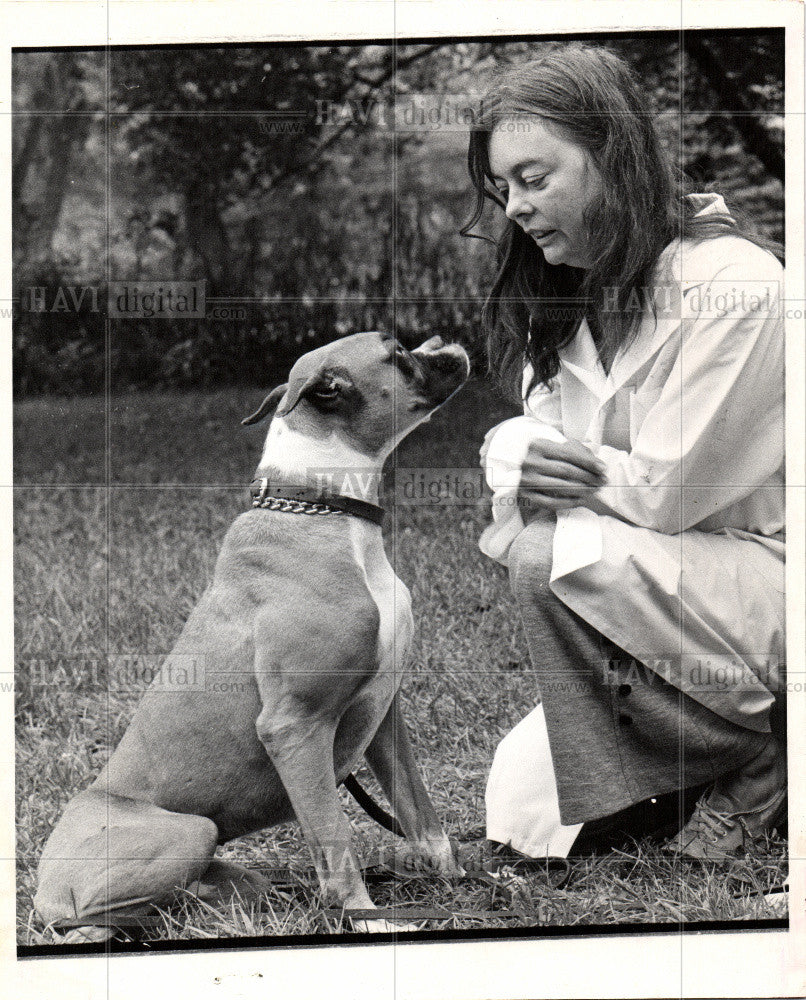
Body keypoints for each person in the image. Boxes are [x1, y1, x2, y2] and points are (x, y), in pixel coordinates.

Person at [463, 44, 786, 860]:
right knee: (523, 814)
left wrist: (549, 464)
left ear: (613, 154)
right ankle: (701, 759)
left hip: (769, 582)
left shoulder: (734, 285)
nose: (514, 210)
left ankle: (756, 753)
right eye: (504, 189)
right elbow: (538, 435)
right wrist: (511, 448)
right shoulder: (572, 295)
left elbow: (669, 495)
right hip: (663, 590)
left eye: (534, 180)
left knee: (550, 556)